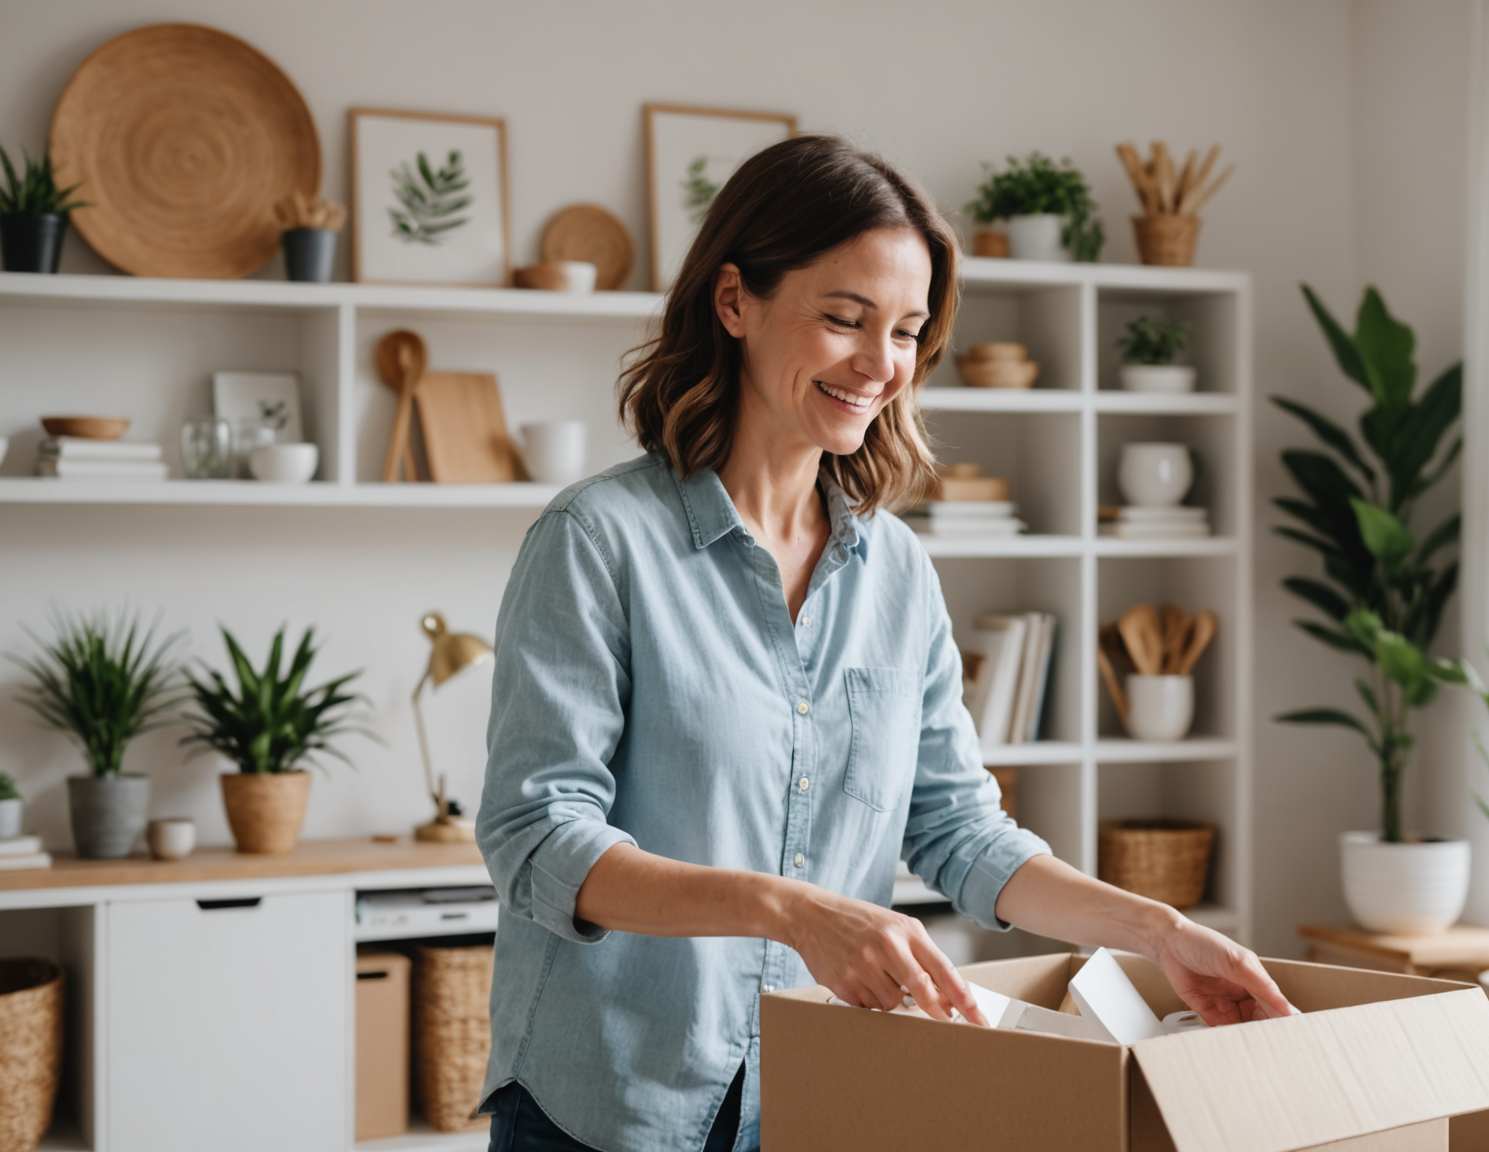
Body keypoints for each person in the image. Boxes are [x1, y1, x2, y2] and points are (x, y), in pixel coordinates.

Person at [474, 135, 1294, 1152]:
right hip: (605, 1101)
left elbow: (959, 830)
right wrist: (791, 911)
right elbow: (538, 840)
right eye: (844, 318)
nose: (881, 365)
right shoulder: (598, 539)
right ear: (734, 302)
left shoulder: (895, 570)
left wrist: (1159, 934)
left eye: (906, 331)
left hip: (819, 1092)